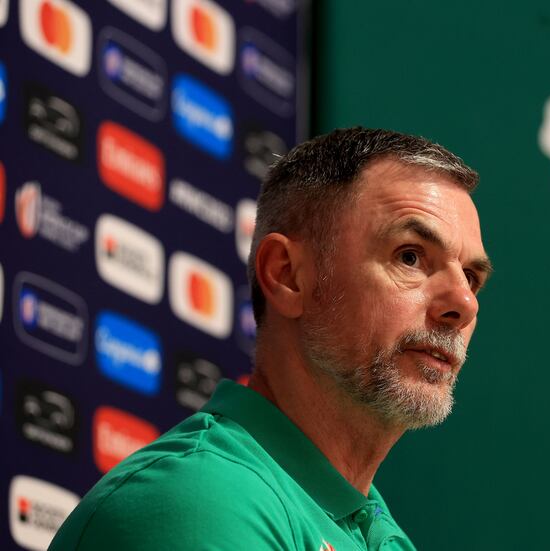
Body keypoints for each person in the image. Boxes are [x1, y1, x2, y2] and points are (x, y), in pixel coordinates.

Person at [50, 127, 492, 550]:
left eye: (471, 277)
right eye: (410, 257)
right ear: (287, 276)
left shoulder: (384, 535)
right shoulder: (202, 500)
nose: (464, 304)